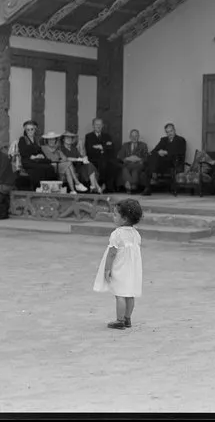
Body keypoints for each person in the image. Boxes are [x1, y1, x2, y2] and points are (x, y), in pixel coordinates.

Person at [93, 199, 144, 330]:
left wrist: (107, 269)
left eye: (116, 215)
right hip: (132, 269)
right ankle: (128, 318)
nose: (113, 217)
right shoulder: (136, 234)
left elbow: (111, 253)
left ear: (125, 219)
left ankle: (119, 320)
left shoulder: (117, 234)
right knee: (130, 294)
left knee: (120, 294)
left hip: (121, 268)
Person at [141, 123, 187, 196]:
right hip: (162, 162)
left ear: (174, 130)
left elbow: (180, 152)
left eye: (171, 131)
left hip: (173, 162)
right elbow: (154, 150)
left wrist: (166, 152)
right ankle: (148, 187)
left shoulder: (180, 140)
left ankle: (150, 181)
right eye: (167, 132)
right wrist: (159, 152)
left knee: (148, 164)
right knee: (153, 155)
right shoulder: (164, 140)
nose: (169, 133)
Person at [84, 118, 121, 192]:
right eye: (96, 124)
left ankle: (110, 186)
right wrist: (104, 147)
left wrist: (100, 147)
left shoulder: (107, 136)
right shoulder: (88, 136)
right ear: (93, 126)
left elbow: (111, 148)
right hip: (93, 159)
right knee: (103, 163)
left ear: (102, 126)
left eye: (100, 124)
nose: (98, 126)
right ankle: (102, 184)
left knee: (114, 164)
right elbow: (89, 150)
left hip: (106, 158)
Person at [17, 120, 56, 189]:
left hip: (37, 160)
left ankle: (50, 189)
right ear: (25, 130)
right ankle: (39, 188)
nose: (30, 131)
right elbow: (22, 152)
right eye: (28, 130)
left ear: (35, 130)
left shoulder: (36, 140)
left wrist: (42, 155)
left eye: (31, 129)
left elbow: (40, 151)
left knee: (50, 167)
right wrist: (33, 156)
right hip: (28, 160)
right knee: (42, 168)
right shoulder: (23, 139)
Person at [117, 129, 149, 194]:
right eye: (132, 136)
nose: (134, 138)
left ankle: (128, 183)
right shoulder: (125, 145)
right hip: (128, 163)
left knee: (125, 169)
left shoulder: (143, 145)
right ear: (130, 137)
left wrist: (138, 159)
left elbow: (146, 157)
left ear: (138, 136)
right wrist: (128, 158)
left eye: (136, 136)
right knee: (134, 171)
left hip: (138, 164)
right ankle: (133, 186)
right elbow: (120, 156)